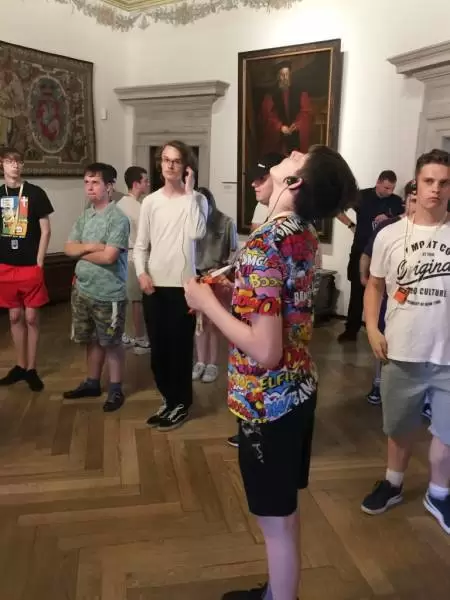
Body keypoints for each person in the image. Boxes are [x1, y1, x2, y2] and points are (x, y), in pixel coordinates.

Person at [185, 146, 358, 600]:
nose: (293, 151)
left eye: (301, 156)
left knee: (274, 521)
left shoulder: (265, 242)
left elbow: (264, 350)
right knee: (284, 512)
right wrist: (231, 297)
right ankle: (279, 590)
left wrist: (205, 304)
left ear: (296, 183)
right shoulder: (302, 233)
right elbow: (281, 310)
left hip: (268, 402)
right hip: (298, 390)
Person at [361, 149, 450, 535]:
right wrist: (371, 327)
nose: (436, 189)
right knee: (398, 426)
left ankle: (439, 493)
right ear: (417, 183)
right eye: (429, 181)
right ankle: (393, 483)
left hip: (447, 354)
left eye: (444, 183)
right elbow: (375, 285)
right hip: (401, 350)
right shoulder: (390, 235)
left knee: (447, 433)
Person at [134, 140, 208, 431]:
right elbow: (140, 245)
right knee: (159, 350)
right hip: (154, 285)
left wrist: (189, 193)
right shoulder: (150, 202)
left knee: (180, 349)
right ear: (160, 163)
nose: (170, 165)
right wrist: (141, 273)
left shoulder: (197, 200)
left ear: (186, 166)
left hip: (183, 287)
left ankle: (181, 404)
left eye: (176, 160)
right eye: (166, 159)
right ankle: (168, 398)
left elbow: (197, 232)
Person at [63, 163, 130, 413]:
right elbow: (68, 248)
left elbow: (109, 257)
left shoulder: (118, 218)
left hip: (108, 293)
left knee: (111, 342)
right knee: (90, 340)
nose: (89, 187)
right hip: (82, 291)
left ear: (109, 187)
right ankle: (92, 382)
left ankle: (115, 388)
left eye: (95, 182)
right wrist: (93, 247)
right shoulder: (85, 216)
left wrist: (81, 251)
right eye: (86, 182)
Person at [228, 152, 284, 448]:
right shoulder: (296, 226)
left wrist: (207, 303)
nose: (254, 184)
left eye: (261, 178)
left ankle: (256, 433)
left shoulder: (270, 238)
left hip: (264, 333)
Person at [0, 147, 53, 391]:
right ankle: (20, 366)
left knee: (31, 318)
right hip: (5, 266)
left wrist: (40, 261)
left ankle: (31, 368)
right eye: (10, 161)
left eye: (18, 161)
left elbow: (46, 230)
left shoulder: (35, 193)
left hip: (30, 265)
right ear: (2, 164)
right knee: (14, 316)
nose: (15, 165)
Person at [360, 181, 417, 405]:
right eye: (413, 200)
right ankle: (378, 382)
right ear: (406, 201)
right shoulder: (389, 227)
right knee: (385, 339)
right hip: (392, 295)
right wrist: (365, 277)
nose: (417, 206)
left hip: (420, 299)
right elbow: (368, 253)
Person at [337, 170, 403, 342]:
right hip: (361, 249)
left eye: (392, 188)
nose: (389, 192)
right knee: (357, 291)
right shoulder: (362, 196)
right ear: (378, 183)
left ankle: (381, 330)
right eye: (386, 188)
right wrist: (350, 225)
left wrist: (390, 217)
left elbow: (407, 217)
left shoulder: (396, 201)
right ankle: (351, 330)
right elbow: (337, 209)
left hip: (385, 253)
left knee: (384, 291)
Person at [192, 187, 237, 383]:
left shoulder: (226, 222)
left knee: (214, 323)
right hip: (197, 277)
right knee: (199, 323)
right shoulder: (192, 221)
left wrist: (221, 272)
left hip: (218, 277)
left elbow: (234, 253)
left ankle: (212, 363)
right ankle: (200, 361)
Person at [117, 166, 151, 354]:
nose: (148, 184)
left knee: (130, 299)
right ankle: (139, 338)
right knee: (137, 300)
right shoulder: (136, 208)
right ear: (136, 184)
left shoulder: (120, 204)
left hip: (125, 257)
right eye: (145, 181)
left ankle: (128, 334)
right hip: (133, 257)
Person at [259, 62, 312, 155]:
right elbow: (268, 115)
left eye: (287, 74)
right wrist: (279, 127)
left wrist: (297, 124)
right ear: (278, 76)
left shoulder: (301, 92)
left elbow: (305, 112)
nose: (285, 78)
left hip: (295, 135)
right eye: (282, 74)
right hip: (278, 138)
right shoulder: (270, 94)